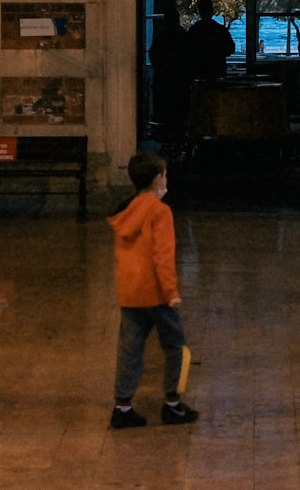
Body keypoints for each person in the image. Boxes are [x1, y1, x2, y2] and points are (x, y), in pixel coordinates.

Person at [108, 151, 199, 429]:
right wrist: (171, 291)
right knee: (175, 347)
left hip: (131, 291)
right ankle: (172, 404)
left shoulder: (126, 210)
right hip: (156, 293)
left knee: (130, 349)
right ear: (159, 178)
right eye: (165, 175)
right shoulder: (160, 212)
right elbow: (162, 255)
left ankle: (122, 407)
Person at [149, 8, 191, 129]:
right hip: (181, 81)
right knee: (180, 113)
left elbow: (153, 54)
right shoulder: (184, 35)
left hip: (164, 80)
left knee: (164, 113)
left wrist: (160, 68)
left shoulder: (161, 36)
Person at [185, 0, 235, 80]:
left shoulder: (194, 30)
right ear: (212, 11)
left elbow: (187, 51)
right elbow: (231, 49)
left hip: (199, 72)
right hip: (217, 71)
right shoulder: (220, 29)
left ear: (199, 12)